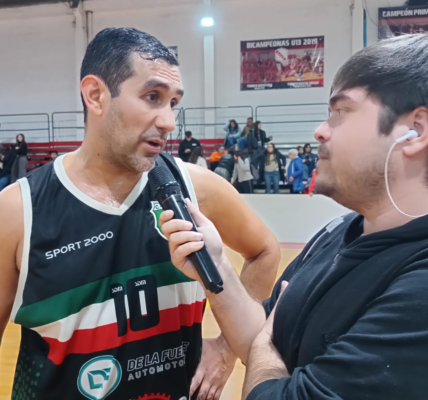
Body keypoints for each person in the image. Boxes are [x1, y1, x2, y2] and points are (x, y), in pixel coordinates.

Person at [0, 28, 281, 400]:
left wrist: (227, 348)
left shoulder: (197, 188)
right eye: (153, 97)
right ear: (95, 95)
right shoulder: (18, 210)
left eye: (173, 103)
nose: (169, 121)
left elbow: (264, 251)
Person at [161, 33, 428, 400]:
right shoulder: (337, 232)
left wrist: (265, 351)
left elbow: (267, 355)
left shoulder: (420, 284)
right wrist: (217, 264)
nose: (321, 130)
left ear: (415, 131)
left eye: (340, 112)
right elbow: (263, 334)